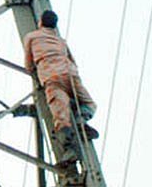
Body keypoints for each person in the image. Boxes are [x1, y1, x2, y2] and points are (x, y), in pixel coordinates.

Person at [22, 10, 97, 162]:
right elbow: (73, 60)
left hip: (51, 77)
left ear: (40, 22)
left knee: (61, 117)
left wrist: (35, 69)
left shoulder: (31, 37)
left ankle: (69, 151)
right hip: (70, 74)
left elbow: (28, 64)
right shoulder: (61, 40)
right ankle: (81, 118)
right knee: (89, 103)